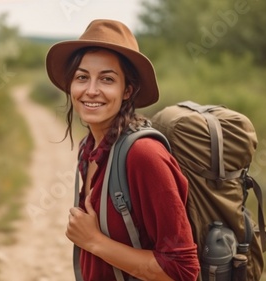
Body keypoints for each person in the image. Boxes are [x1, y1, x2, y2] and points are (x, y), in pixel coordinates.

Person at [45, 19, 200, 281]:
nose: (91, 90)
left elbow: (182, 271)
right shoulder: (90, 147)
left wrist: (93, 241)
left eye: (107, 79)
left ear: (127, 90)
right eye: (82, 77)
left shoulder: (144, 156)